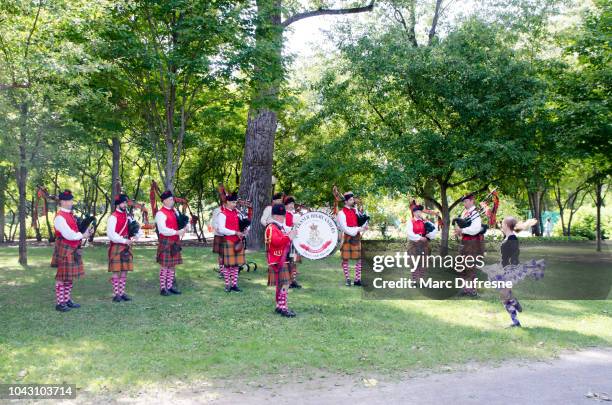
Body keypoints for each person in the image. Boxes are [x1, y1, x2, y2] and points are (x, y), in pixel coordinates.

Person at [482, 217, 545, 327]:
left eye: (502, 223)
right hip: (503, 269)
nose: (501, 225)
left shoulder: (512, 239)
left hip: (508, 271)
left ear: (506, 225)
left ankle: (515, 311)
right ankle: (515, 312)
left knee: (504, 295)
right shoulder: (507, 237)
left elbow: (515, 256)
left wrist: (511, 271)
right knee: (504, 297)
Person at [51, 190, 92, 312]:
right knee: (61, 276)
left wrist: (85, 232)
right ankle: (60, 303)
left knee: (69, 276)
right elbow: (69, 235)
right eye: (70, 200)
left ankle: (67, 299)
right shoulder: (59, 217)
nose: (71, 202)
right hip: (65, 246)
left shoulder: (70, 215)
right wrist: (82, 235)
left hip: (73, 247)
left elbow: (75, 230)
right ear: (63, 202)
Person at [107, 194, 142, 302]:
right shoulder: (113, 217)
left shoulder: (128, 216)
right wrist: (124, 240)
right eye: (123, 203)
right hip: (117, 245)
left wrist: (137, 236)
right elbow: (111, 234)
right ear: (118, 204)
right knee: (116, 271)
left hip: (126, 246)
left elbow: (136, 228)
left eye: (126, 203)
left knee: (124, 270)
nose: (125, 204)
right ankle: (116, 294)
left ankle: (122, 293)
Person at [266, 204, 298, 317]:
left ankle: (280, 306)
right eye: (279, 215)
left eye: (282, 215)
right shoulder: (271, 227)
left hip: (283, 259)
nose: (282, 217)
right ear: (274, 215)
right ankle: (283, 308)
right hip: (277, 260)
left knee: (283, 284)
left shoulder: (280, 227)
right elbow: (276, 242)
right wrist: (289, 237)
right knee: (285, 284)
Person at [155, 190, 185, 296]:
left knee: (172, 265)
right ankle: (163, 288)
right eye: (171, 199)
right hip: (166, 241)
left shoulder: (174, 211)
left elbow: (179, 223)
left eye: (172, 199)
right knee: (165, 265)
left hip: (175, 241)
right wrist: (176, 232)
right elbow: (162, 229)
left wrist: (184, 227)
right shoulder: (160, 213)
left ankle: (170, 286)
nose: (173, 201)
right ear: (165, 201)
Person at [454, 193, 484, 297]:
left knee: (470, 266)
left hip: (472, 243)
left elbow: (475, 229)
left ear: (472, 201)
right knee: (461, 266)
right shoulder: (465, 214)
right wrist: (458, 231)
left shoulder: (475, 214)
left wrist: (462, 230)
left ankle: (472, 290)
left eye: (466, 201)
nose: (464, 203)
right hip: (464, 242)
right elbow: (459, 226)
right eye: (463, 202)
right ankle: (465, 288)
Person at [337, 191, 367, 286]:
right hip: (348, 237)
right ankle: (348, 279)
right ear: (345, 201)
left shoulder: (355, 211)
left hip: (356, 237)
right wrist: (358, 229)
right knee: (345, 259)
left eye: (352, 199)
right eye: (350, 199)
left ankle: (357, 280)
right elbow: (344, 228)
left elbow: (359, 222)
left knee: (360, 259)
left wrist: (364, 226)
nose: (352, 201)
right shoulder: (341, 213)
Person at [217, 192, 246, 292]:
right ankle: (227, 284)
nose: (235, 204)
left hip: (237, 241)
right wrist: (235, 232)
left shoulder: (237, 213)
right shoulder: (222, 214)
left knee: (235, 264)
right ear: (227, 202)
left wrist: (244, 230)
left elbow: (243, 224)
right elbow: (221, 229)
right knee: (227, 265)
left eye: (235, 202)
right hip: (228, 240)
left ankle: (234, 284)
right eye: (233, 202)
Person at [406, 204, 438, 281]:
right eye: (416, 212)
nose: (418, 213)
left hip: (424, 245)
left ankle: (420, 279)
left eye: (420, 211)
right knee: (414, 262)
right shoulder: (410, 221)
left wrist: (429, 235)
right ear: (413, 213)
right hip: (414, 244)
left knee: (423, 263)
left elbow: (434, 230)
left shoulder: (425, 221)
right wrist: (419, 238)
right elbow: (409, 233)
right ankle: (414, 279)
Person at [284, 196, 302, 289]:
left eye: (293, 204)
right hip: (287, 241)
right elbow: (284, 227)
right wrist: (292, 229)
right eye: (290, 204)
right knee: (288, 261)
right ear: (286, 205)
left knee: (294, 261)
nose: (292, 206)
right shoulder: (284, 214)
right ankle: (287, 280)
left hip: (294, 242)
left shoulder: (295, 214)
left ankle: (293, 280)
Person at [211, 205, 225, 278]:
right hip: (219, 234)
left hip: (229, 235)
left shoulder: (233, 210)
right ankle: (222, 271)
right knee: (221, 254)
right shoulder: (217, 210)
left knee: (229, 254)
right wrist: (219, 230)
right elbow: (213, 222)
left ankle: (228, 271)